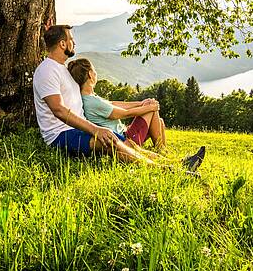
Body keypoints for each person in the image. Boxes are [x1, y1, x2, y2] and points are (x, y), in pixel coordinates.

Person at [32, 25, 204, 171]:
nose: (74, 42)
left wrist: (50, 30)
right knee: (111, 142)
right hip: (60, 134)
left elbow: (98, 99)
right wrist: (95, 129)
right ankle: (167, 171)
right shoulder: (47, 70)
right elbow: (59, 110)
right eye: (70, 39)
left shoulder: (62, 69)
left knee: (129, 144)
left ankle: (179, 164)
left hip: (76, 129)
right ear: (62, 44)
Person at [67, 58, 166, 151]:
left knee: (159, 121)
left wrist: (141, 103)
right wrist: (149, 107)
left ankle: (162, 148)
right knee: (152, 110)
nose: (95, 73)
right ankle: (161, 149)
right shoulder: (91, 102)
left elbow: (113, 104)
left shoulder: (90, 97)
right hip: (125, 140)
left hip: (124, 133)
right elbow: (125, 113)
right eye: (94, 71)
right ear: (90, 74)